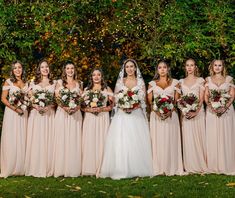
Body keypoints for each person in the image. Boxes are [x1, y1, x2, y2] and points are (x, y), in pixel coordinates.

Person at [99, 59, 153, 179]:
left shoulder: (140, 82)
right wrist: (124, 106)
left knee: (136, 140)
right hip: (122, 115)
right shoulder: (120, 81)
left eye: (131, 66)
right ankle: (121, 167)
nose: (129, 69)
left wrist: (134, 106)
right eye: (127, 67)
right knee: (121, 141)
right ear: (124, 69)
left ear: (135, 68)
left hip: (136, 114)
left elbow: (143, 100)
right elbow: (116, 98)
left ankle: (137, 167)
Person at [147, 61, 184, 176]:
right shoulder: (152, 84)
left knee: (170, 140)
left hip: (171, 115)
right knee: (157, 140)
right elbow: (149, 102)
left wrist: (170, 111)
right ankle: (158, 166)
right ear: (157, 70)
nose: (162, 70)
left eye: (164, 67)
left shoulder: (176, 83)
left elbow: (176, 100)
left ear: (168, 69)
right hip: (156, 116)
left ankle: (171, 166)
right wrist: (157, 112)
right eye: (160, 68)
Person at [25, 59, 56, 177]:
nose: (45, 69)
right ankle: (35, 166)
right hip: (36, 115)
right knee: (37, 139)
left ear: (49, 69)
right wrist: (36, 106)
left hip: (49, 114)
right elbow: (30, 99)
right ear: (39, 69)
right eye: (42, 67)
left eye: (47, 67)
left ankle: (48, 166)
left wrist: (49, 107)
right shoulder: (33, 83)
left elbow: (56, 101)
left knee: (48, 139)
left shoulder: (54, 83)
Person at [205, 59, 235, 174]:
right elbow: (207, 96)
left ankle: (227, 164)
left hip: (227, 112)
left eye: (220, 65)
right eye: (215, 65)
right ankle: (214, 165)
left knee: (226, 136)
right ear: (212, 67)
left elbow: (232, 96)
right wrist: (211, 107)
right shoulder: (208, 79)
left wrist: (224, 107)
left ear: (223, 67)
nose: (217, 67)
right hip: (212, 112)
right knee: (213, 136)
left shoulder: (229, 79)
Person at [53, 62, 83, 177]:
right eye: (68, 68)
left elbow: (81, 99)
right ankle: (61, 168)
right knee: (62, 138)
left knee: (74, 138)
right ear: (64, 70)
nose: (70, 70)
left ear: (75, 70)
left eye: (72, 68)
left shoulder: (79, 83)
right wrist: (65, 107)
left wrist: (76, 107)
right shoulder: (59, 82)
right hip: (62, 113)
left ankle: (73, 167)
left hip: (75, 114)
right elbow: (57, 99)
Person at [82, 68, 113, 176]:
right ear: (91, 77)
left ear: (101, 76)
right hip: (90, 118)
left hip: (102, 117)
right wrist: (89, 109)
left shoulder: (107, 88)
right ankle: (90, 167)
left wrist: (102, 109)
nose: (96, 77)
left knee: (102, 140)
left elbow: (112, 105)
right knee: (90, 141)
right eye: (94, 75)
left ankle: (102, 166)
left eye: (98, 75)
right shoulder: (86, 89)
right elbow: (81, 106)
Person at [0, 61, 28, 177]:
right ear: (12, 70)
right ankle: (10, 167)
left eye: (19, 67)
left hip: (24, 113)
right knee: (11, 138)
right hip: (12, 113)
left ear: (22, 69)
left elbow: (29, 98)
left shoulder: (26, 82)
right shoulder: (8, 81)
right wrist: (15, 109)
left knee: (22, 138)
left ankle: (21, 167)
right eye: (15, 68)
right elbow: (3, 99)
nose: (17, 70)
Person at [179, 58, 207, 173]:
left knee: (199, 137)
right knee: (188, 138)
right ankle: (189, 165)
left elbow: (201, 98)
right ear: (185, 67)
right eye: (187, 65)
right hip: (185, 114)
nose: (189, 67)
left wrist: (195, 111)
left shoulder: (200, 80)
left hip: (198, 113)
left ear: (195, 67)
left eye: (192, 65)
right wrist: (184, 110)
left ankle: (201, 164)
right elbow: (180, 99)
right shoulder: (181, 82)